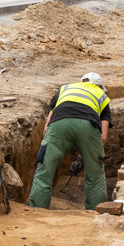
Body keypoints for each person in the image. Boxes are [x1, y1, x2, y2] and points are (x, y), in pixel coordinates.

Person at [28, 73, 111, 211]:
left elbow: (46, 128)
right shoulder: (101, 96)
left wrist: (51, 147)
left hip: (59, 123)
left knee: (44, 173)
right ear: (99, 86)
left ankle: (36, 210)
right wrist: (87, 157)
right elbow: (102, 137)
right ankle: (96, 213)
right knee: (95, 177)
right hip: (89, 125)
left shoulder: (65, 89)